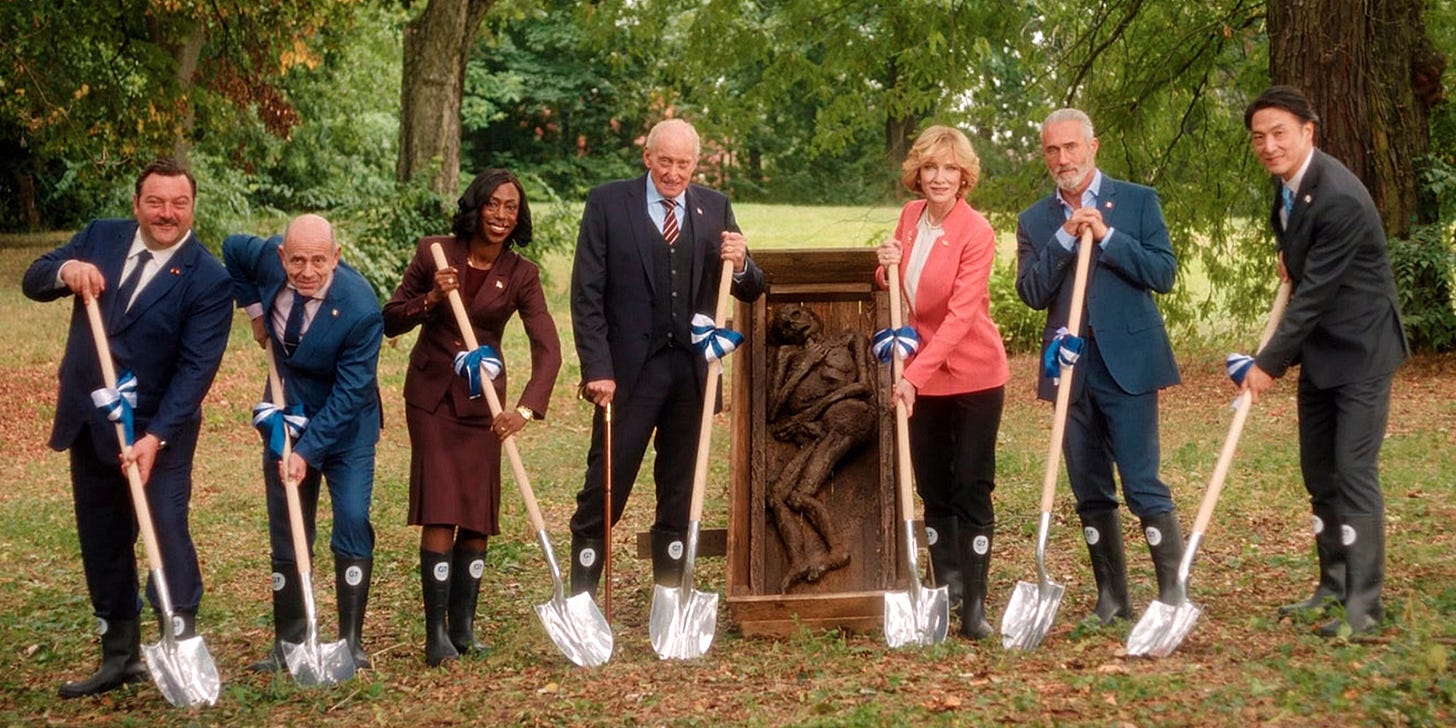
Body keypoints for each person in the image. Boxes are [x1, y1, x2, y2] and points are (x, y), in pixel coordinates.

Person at [22, 159, 233, 697]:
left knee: (164, 525)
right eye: (156, 202)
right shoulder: (101, 237)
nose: (167, 213)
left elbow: (195, 371)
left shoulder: (208, 279)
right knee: (103, 537)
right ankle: (119, 654)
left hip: (162, 428)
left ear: (192, 207)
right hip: (92, 418)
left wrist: (153, 437)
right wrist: (65, 271)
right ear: (137, 203)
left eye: (179, 203)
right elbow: (34, 278)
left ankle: (177, 634)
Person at [568, 118, 766, 597]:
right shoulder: (608, 203)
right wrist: (598, 369)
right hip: (629, 376)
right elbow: (586, 293)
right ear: (647, 157)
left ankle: (670, 595)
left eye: (683, 163)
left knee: (680, 490)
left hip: (692, 376)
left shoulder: (714, 207)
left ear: (695, 164)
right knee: (606, 485)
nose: (673, 172)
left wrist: (741, 262)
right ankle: (581, 595)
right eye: (665, 161)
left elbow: (754, 286)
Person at [1241, 85, 1408, 637]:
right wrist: (1293, 258)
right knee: (1319, 472)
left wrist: (1266, 364)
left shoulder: (1336, 194)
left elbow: (1313, 297)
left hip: (1360, 350)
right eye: (1259, 137)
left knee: (1353, 472)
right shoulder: (1289, 188)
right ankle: (1332, 586)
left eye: (1280, 133)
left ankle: (1363, 607)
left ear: (1308, 131)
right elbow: (1303, 268)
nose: (1269, 145)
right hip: (1322, 354)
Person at [382, 169, 562, 666]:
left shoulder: (521, 273)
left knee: (477, 515)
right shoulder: (434, 252)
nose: (501, 215)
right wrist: (432, 299)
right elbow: (390, 318)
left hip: (485, 404)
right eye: (493, 204)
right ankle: (435, 633)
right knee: (442, 508)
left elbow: (548, 350)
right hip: (434, 398)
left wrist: (524, 408)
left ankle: (463, 628)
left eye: (511, 207)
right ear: (476, 206)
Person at [1015, 108, 1184, 625]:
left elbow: (1163, 273)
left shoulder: (1136, 201)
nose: (1062, 158)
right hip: (1069, 368)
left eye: (1071, 147)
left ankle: (1172, 595)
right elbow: (1030, 291)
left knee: (1141, 481)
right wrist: (1065, 238)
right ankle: (1112, 597)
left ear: (1094, 146)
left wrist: (1107, 237)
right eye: (1052, 150)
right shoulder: (1035, 220)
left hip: (1128, 363)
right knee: (1089, 486)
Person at [223, 214, 384, 670]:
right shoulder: (268, 261)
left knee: (352, 517)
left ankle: (350, 642)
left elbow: (352, 391)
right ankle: (289, 642)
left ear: (335, 257)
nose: (307, 271)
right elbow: (233, 246)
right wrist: (255, 313)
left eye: (319, 260)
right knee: (287, 527)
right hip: (286, 410)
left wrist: (309, 451)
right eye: (297, 260)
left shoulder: (361, 308)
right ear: (282, 257)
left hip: (346, 425)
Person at [873, 125, 1010, 639]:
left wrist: (913, 378)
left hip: (972, 376)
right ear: (918, 173)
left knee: (970, 486)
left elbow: (958, 316)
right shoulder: (910, 218)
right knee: (933, 488)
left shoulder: (977, 231)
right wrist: (884, 269)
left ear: (964, 176)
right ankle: (944, 593)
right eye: (930, 167)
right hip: (920, 374)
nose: (939, 177)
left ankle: (974, 607)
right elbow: (899, 286)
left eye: (949, 169)